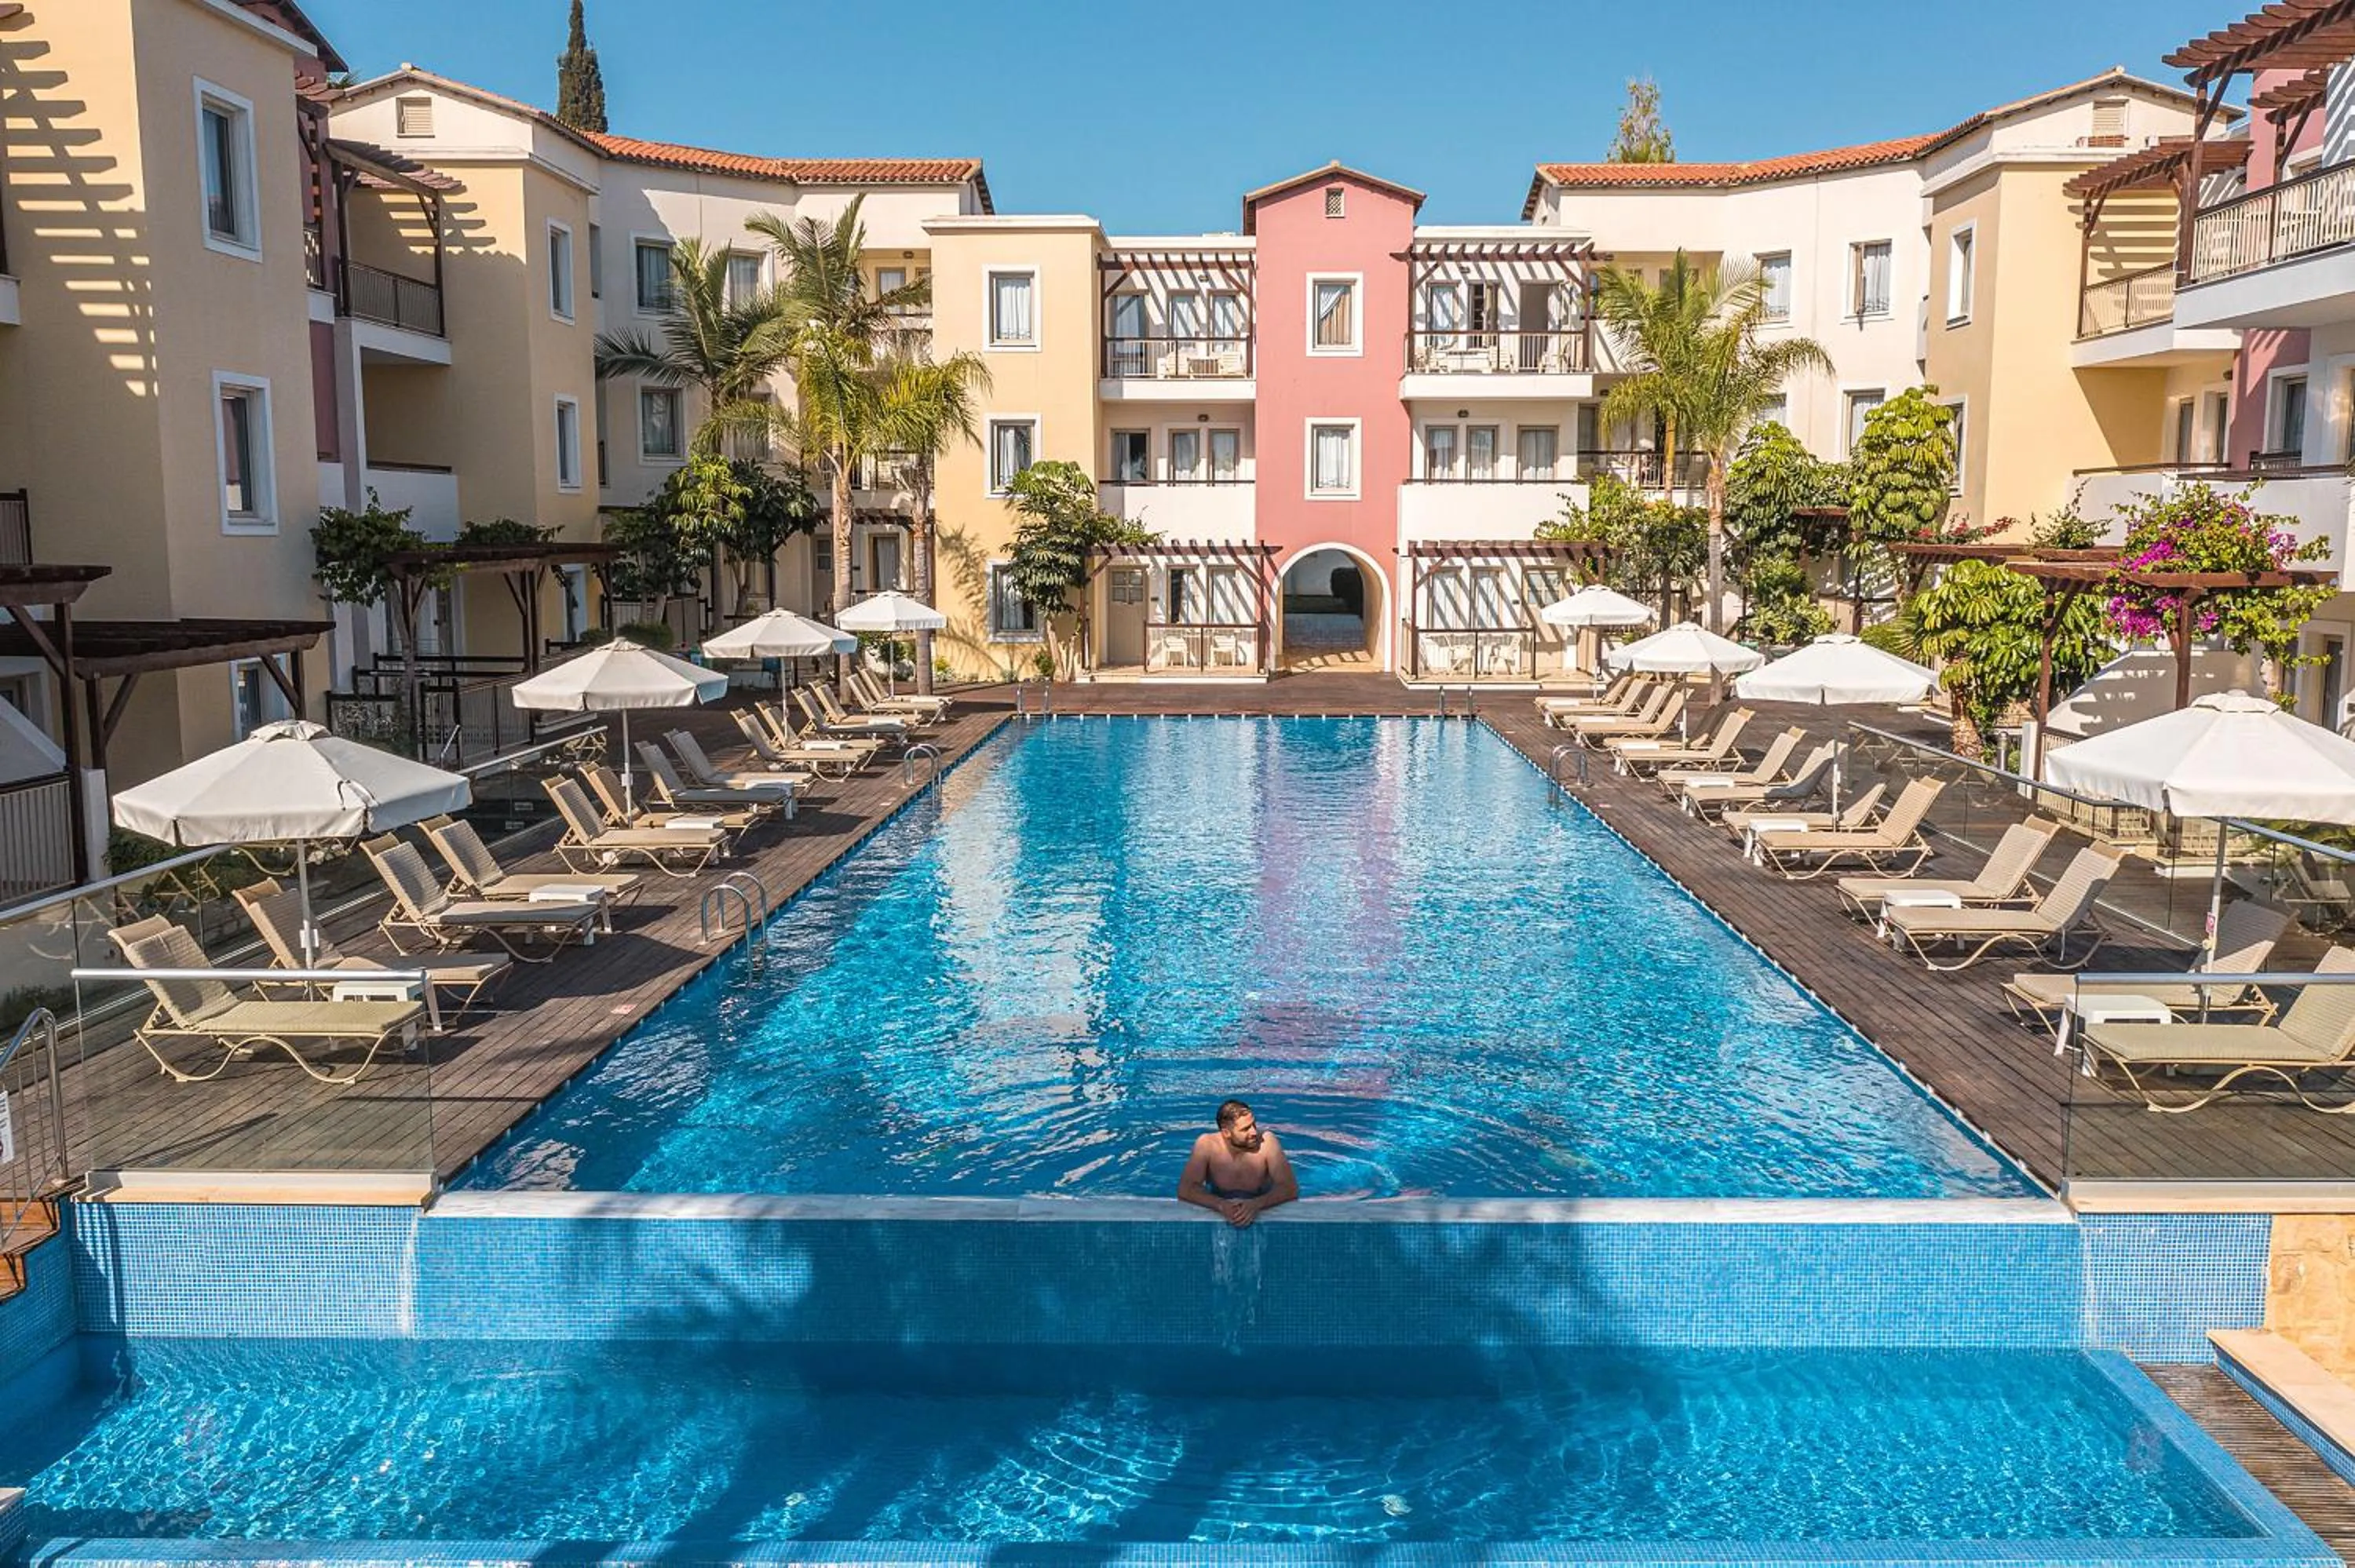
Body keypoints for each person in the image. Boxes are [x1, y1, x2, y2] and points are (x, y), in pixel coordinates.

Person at [1178, 1099, 1298, 1227]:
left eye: (1254, 1125)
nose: (1254, 1132)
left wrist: (1257, 1204)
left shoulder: (1267, 1142)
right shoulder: (1207, 1145)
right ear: (1226, 1133)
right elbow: (1186, 1189)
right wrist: (1221, 1205)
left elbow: (1289, 1188)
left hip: (1259, 1197)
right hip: (1220, 1197)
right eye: (1245, 1129)